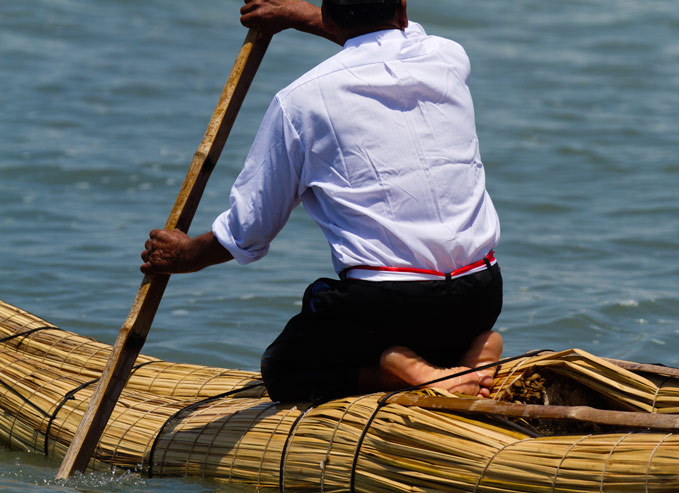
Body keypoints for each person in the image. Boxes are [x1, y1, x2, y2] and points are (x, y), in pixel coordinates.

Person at [140, 0, 504, 403]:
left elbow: (251, 229)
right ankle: (473, 353)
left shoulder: (300, 101)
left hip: (387, 308)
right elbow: (384, 35)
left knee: (285, 370)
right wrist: (296, 14)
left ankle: (405, 370)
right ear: (402, 11)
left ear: (329, 19)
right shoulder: (448, 56)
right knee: (430, 322)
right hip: (480, 294)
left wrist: (184, 255)